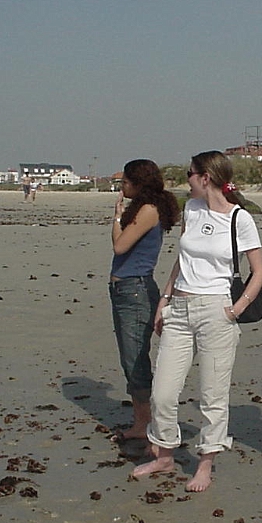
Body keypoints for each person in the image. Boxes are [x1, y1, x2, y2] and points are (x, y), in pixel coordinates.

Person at [132, 150, 262, 493]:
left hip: (217, 311)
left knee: (213, 396)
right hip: (179, 307)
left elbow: (259, 270)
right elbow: (182, 258)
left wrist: (236, 309)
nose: (185, 179)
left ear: (205, 177)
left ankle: (205, 463)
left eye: (190, 174)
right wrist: (164, 298)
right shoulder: (191, 210)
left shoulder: (240, 219)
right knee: (162, 394)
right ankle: (164, 454)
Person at [109, 159, 180, 443]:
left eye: (125, 182)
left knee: (135, 358)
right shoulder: (144, 208)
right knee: (131, 358)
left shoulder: (148, 210)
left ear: (138, 184)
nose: (121, 187)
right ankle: (144, 419)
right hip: (126, 288)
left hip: (135, 289)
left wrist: (116, 217)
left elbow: (119, 246)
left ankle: (144, 422)